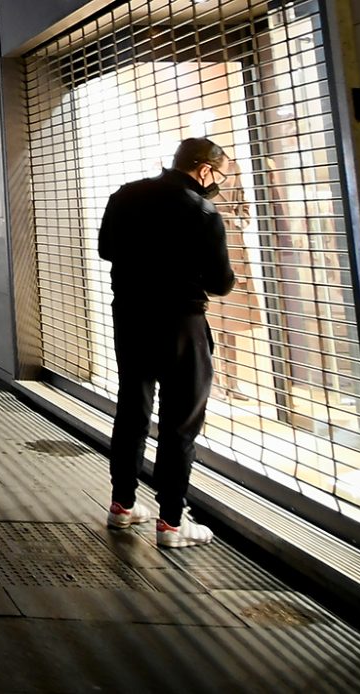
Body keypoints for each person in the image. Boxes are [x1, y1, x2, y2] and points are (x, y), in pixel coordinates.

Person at [98, 137, 235, 548]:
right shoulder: (202, 211)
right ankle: (172, 523)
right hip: (181, 323)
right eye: (219, 175)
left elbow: (106, 249)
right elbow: (221, 282)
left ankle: (122, 505)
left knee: (132, 409)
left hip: (131, 316)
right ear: (204, 169)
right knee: (180, 422)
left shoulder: (125, 195)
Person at [210, 160, 261, 401]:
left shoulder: (232, 168)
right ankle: (213, 381)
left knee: (230, 324)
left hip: (232, 249)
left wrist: (239, 220)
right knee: (209, 323)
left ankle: (232, 381)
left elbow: (244, 206)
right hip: (209, 246)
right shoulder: (197, 172)